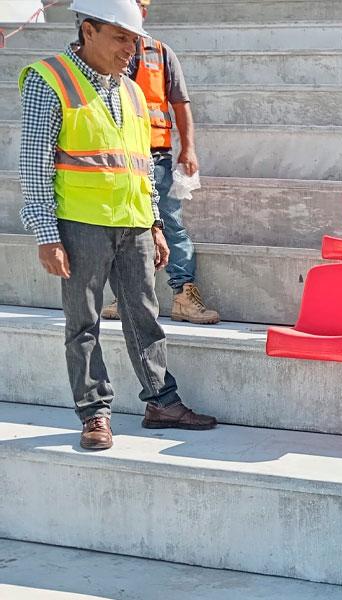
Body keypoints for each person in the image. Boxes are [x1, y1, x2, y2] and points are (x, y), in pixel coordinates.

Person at [18, 0, 216, 450]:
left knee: (144, 316)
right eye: (121, 37)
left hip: (133, 223)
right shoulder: (50, 80)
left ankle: (162, 401)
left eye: (135, 39)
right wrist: (46, 235)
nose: (132, 48)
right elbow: (33, 165)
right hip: (80, 223)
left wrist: (155, 224)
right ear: (88, 31)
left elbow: (140, 164)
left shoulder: (129, 89)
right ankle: (94, 414)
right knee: (82, 324)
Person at [100, 0, 219, 325]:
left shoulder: (162, 53)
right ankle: (124, 296)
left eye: (136, 5)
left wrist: (188, 149)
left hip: (155, 158)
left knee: (170, 224)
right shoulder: (100, 54)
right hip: (113, 156)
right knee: (119, 226)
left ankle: (184, 295)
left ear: (144, 11)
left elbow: (180, 104)